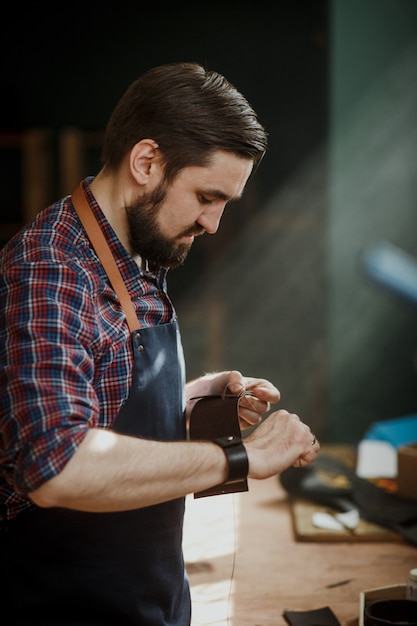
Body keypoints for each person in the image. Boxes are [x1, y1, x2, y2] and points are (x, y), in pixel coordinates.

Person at [0, 61, 320, 625]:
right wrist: (242, 456)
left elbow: (101, 397)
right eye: (206, 196)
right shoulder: (50, 270)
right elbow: (56, 466)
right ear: (146, 162)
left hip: (152, 603)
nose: (214, 223)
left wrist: (194, 401)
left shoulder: (138, 254)